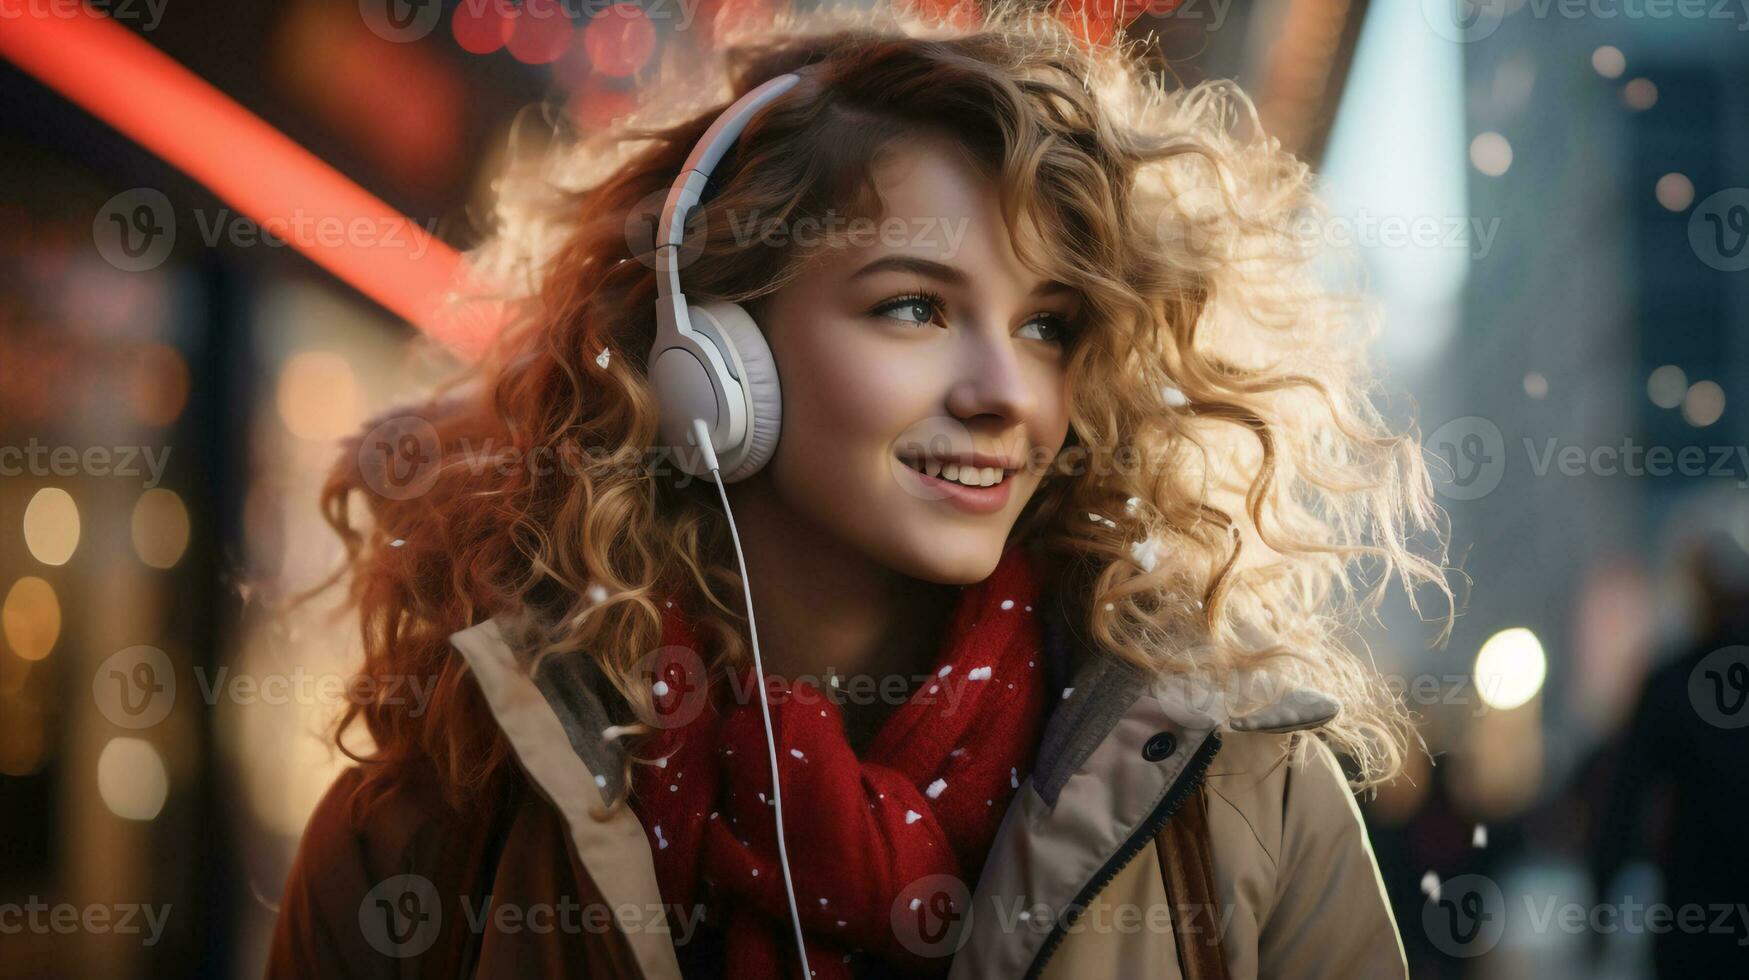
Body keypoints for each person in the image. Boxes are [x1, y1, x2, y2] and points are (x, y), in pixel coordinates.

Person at [267, 4, 1450, 977]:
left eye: (1047, 325)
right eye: (915, 307)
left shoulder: (1247, 804)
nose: (1008, 394)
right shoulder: (439, 822)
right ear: (711, 361)